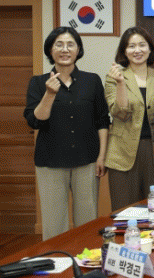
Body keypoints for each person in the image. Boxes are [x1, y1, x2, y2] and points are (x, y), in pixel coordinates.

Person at [24, 27, 110, 240]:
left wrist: (101, 156)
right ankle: (56, 259)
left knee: (87, 221)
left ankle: (87, 258)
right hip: (50, 161)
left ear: (78, 49)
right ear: (50, 50)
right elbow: (35, 121)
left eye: (70, 44)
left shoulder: (92, 81)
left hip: (87, 160)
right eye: (59, 45)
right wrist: (49, 94)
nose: (65, 49)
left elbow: (102, 120)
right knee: (54, 224)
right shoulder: (38, 82)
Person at [104, 26, 154, 211]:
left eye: (142, 45)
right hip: (122, 154)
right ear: (124, 51)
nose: (137, 50)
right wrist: (120, 83)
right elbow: (120, 113)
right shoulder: (113, 78)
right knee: (124, 211)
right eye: (131, 46)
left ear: (150, 49)